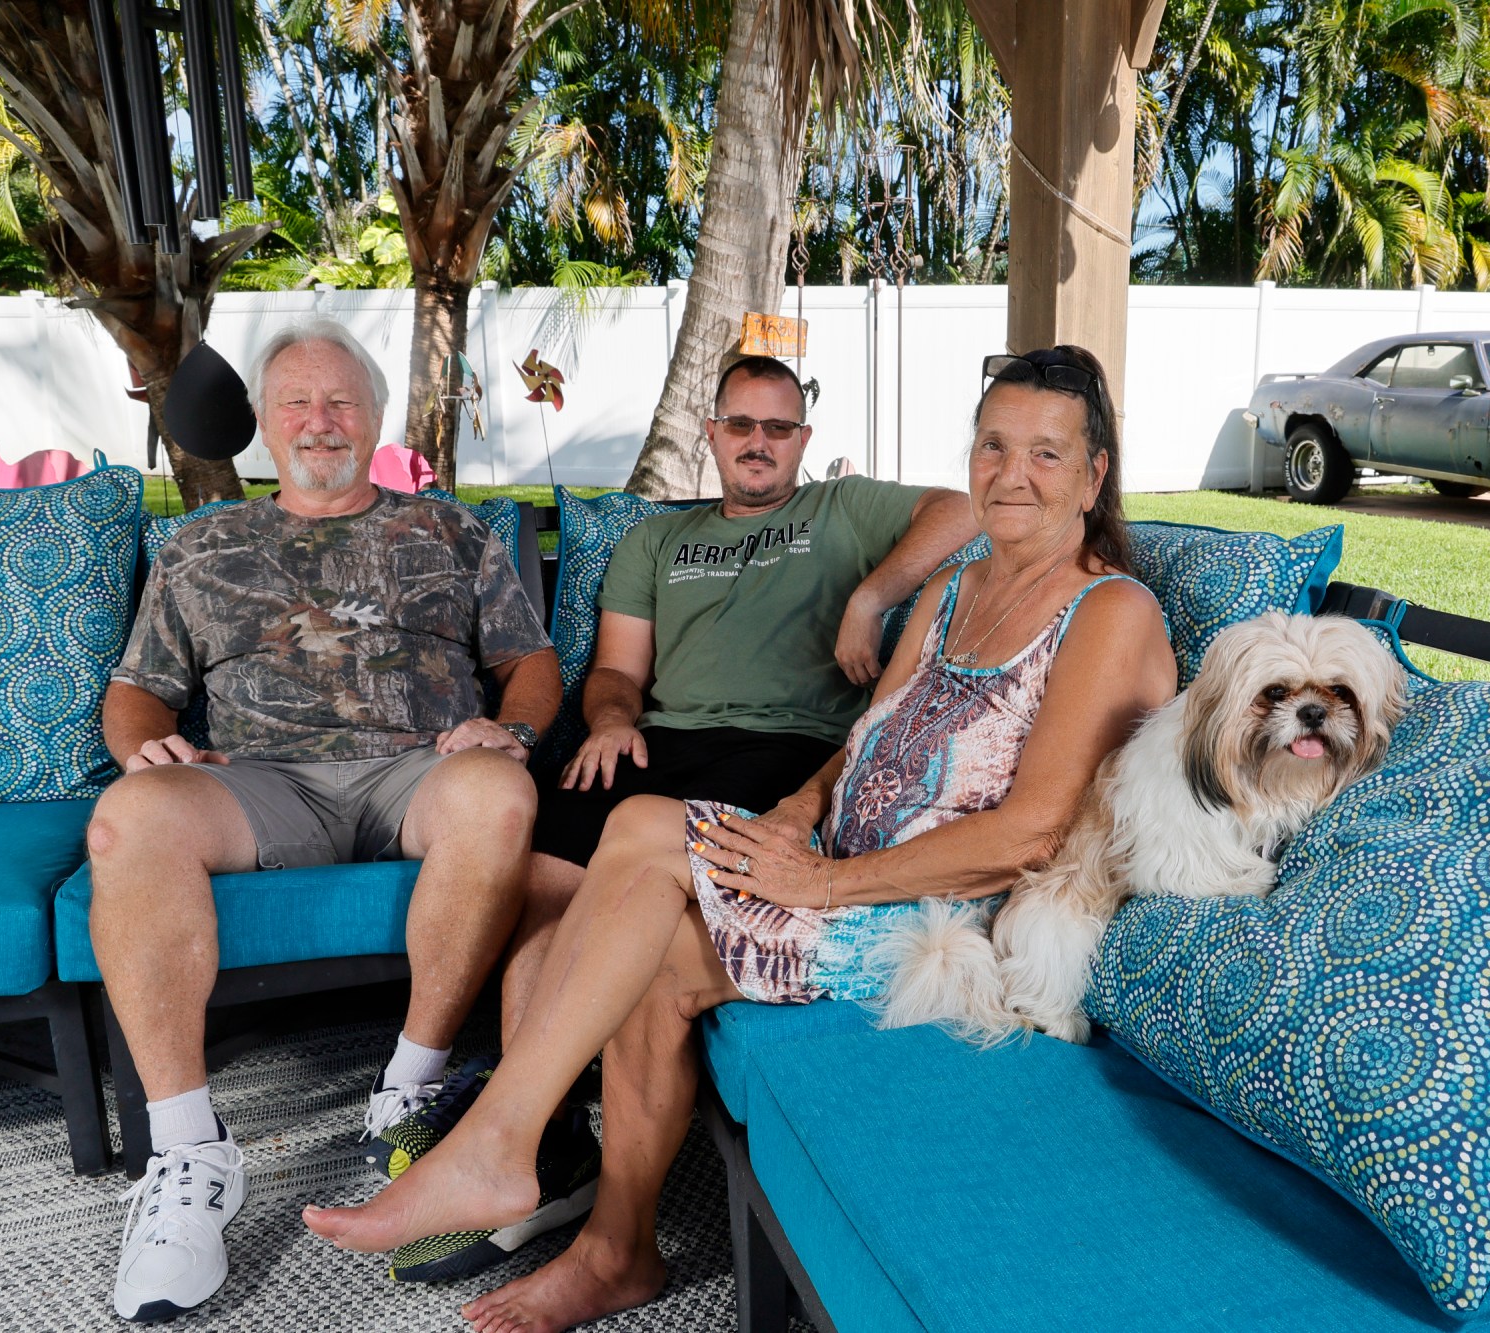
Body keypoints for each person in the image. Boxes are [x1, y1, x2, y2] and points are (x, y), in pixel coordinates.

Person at [301, 345, 1181, 1333]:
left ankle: (515, 1153)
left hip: (937, 924)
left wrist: (823, 884)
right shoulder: (954, 590)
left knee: (648, 881)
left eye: (1046, 455)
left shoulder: (1108, 610)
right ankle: (601, 1233)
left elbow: (1028, 834)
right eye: (992, 444)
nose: (1009, 473)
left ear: (1094, 474)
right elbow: (858, 746)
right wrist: (798, 815)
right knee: (647, 891)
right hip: (839, 865)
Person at [359, 354, 978, 1286]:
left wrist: (870, 593)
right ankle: (552, 1141)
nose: (759, 444)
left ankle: (516, 1136)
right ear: (713, 433)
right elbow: (615, 672)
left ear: (804, 441)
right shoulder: (657, 540)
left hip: (789, 750)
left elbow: (965, 508)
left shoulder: (843, 511)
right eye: (741, 425)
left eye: (779, 428)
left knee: (631, 856)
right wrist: (609, 719)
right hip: (658, 740)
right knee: (542, 882)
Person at [86, 317, 560, 1322]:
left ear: (377, 416)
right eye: (296, 402)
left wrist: (508, 728)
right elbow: (135, 694)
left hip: (418, 768)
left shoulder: (451, 531)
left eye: (341, 400)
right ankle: (186, 1158)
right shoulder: (203, 544)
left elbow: (531, 665)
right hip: (260, 780)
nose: (319, 420)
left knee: (500, 791)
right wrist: (145, 750)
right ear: (263, 422)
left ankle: (412, 1089)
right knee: (129, 820)